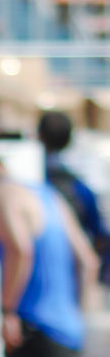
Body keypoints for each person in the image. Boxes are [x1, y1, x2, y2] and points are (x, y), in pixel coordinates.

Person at [0, 151, 97, 357]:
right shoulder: (49, 195)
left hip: (30, 330)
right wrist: (76, 316)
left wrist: (7, 312)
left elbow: (19, 250)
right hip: (68, 334)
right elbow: (88, 262)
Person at [37, 108, 109, 279]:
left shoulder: (31, 184)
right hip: (73, 274)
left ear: (39, 136)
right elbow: (98, 234)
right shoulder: (80, 188)